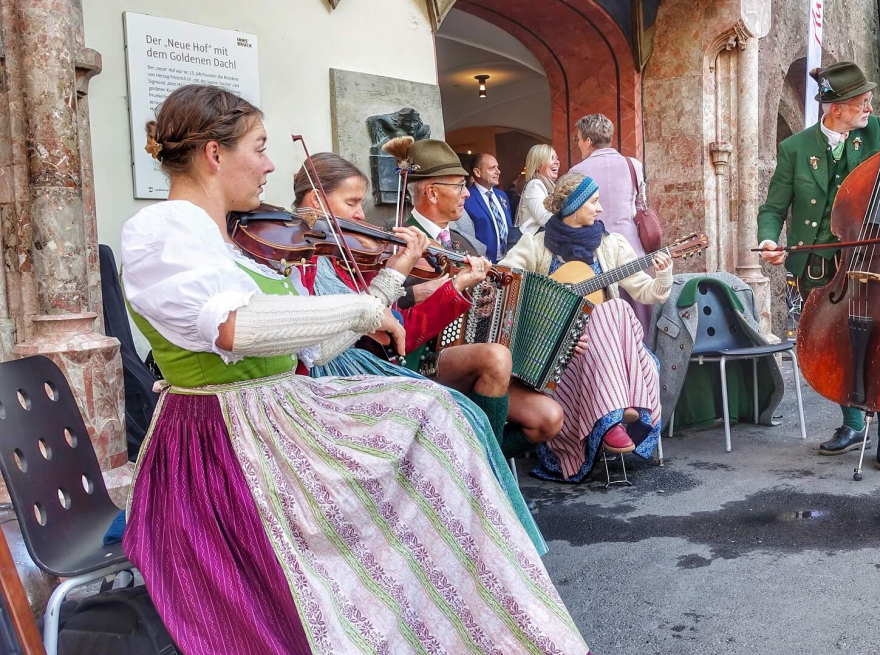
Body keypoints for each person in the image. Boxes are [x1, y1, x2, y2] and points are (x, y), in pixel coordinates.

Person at [120, 84, 590, 655]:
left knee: (435, 412)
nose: (270, 165)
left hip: (275, 414)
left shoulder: (236, 239)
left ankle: (471, 614)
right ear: (214, 154)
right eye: (260, 148)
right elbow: (234, 328)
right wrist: (363, 307)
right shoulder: (162, 229)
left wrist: (386, 286)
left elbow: (314, 350)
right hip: (224, 438)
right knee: (430, 417)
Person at [288, 153, 548, 553]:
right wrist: (399, 274)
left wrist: (456, 288)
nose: (362, 216)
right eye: (352, 203)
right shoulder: (307, 259)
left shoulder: (357, 254)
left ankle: (489, 526)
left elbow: (399, 327)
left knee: (495, 416)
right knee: (458, 420)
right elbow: (345, 339)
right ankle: (479, 531)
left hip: (384, 362)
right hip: (353, 374)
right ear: (316, 201)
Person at [757, 61, 880, 471]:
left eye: (869, 101)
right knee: (835, 343)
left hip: (875, 255)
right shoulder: (795, 148)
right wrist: (768, 239)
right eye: (862, 103)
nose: (870, 108)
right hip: (819, 265)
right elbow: (773, 208)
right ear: (835, 108)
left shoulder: (875, 134)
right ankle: (853, 423)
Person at [399, 139, 568, 457]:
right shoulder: (399, 241)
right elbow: (380, 303)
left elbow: (506, 302)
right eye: (459, 186)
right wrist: (413, 293)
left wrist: (558, 333)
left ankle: (468, 460)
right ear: (432, 192)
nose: (466, 193)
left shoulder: (467, 244)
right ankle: (487, 472)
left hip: (479, 362)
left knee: (548, 417)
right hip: (424, 359)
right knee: (495, 357)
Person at [500, 173, 671, 481]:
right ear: (573, 207)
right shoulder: (536, 245)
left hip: (606, 350)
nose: (600, 209)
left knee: (614, 309)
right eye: (593, 202)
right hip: (563, 357)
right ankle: (615, 411)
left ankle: (611, 416)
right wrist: (546, 310)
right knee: (612, 311)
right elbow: (504, 280)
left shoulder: (611, 245)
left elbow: (647, 293)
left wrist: (664, 275)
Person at [569, 113, 655, 334]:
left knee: (605, 326)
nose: (578, 144)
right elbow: (640, 204)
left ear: (588, 141)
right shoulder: (633, 165)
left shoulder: (576, 172)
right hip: (633, 250)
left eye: (578, 139)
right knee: (640, 321)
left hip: (596, 256)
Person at [465, 152, 511, 261]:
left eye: (497, 167)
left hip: (510, 259)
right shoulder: (467, 199)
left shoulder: (502, 195)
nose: (498, 171)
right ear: (477, 172)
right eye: (492, 168)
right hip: (485, 262)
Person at [517, 143, 560, 235]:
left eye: (557, 158)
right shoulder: (535, 185)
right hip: (535, 241)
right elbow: (543, 218)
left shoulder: (552, 186)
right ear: (538, 166)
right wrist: (570, 217)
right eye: (552, 158)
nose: (557, 162)